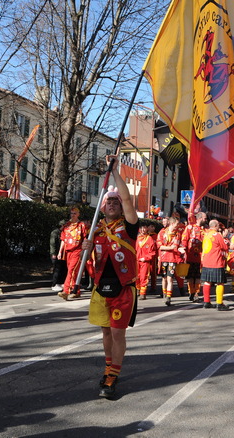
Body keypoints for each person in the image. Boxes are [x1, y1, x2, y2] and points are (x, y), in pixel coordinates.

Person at [82, 156, 139, 399]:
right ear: (102, 207)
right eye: (109, 201)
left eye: (116, 201)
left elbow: (127, 199)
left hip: (123, 289)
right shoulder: (95, 230)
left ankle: (113, 375)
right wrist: (85, 247)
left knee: (117, 333)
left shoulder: (129, 225)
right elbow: (89, 258)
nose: (113, 203)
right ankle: (108, 368)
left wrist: (115, 171)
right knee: (105, 332)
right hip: (100, 288)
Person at [57, 207, 87, 300]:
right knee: (73, 272)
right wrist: (60, 252)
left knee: (72, 270)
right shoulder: (67, 225)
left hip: (77, 251)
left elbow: (85, 238)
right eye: (71, 213)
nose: (72, 215)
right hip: (68, 252)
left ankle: (66, 291)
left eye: (74, 213)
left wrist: (84, 251)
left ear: (78, 214)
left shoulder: (81, 225)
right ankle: (76, 291)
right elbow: (63, 240)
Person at [200, 219, 230, 310]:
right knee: (220, 282)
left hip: (206, 261)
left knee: (207, 282)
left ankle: (206, 302)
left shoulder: (206, 234)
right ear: (216, 226)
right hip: (216, 261)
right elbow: (224, 247)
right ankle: (219, 303)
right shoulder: (217, 235)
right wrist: (225, 238)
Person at [180, 212, 207, 302]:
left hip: (201, 258)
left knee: (198, 277)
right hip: (190, 256)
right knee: (190, 276)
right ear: (200, 218)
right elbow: (184, 239)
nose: (206, 220)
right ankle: (191, 292)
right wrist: (183, 249)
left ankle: (196, 293)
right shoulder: (190, 228)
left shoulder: (205, 230)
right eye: (204, 218)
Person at [157, 216, 181, 306]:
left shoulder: (177, 234)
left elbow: (176, 246)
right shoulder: (162, 232)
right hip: (163, 258)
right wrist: (170, 248)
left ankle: (168, 297)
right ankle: (164, 293)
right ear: (172, 223)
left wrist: (177, 249)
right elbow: (159, 246)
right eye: (177, 224)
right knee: (164, 278)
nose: (178, 226)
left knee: (170, 278)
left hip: (172, 259)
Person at [136, 223, 157, 300]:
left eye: (144, 228)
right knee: (136, 276)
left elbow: (153, 252)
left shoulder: (149, 239)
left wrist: (145, 258)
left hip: (145, 261)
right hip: (136, 261)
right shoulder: (136, 238)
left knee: (143, 276)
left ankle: (143, 293)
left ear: (147, 229)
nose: (143, 230)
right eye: (141, 228)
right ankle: (138, 290)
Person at [50, 220, 67, 292]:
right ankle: (54, 284)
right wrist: (53, 253)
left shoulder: (64, 232)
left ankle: (60, 283)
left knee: (63, 268)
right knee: (57, 269)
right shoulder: (55, 233)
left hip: (62, 253)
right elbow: (53, 243)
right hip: (56, 253)